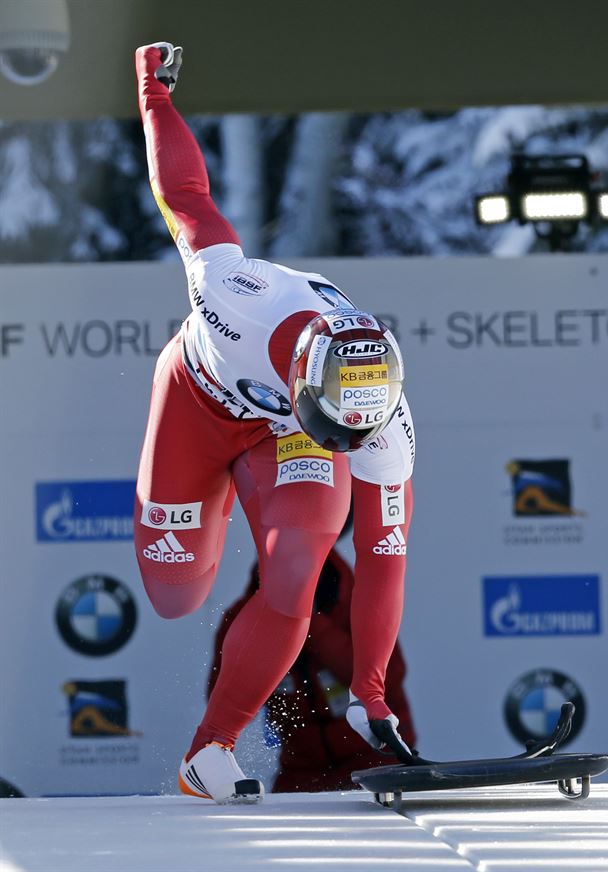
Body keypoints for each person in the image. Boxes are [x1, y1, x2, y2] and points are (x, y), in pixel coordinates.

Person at [133, 41, 416, 804]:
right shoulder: (235, 296)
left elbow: (386, 554)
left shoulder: (379, 409)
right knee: (174, 593)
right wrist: (154, 97)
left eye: (356, 439)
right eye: (338, 433)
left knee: (299, 568)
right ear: (299, 380)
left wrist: (370, 690)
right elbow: (187, 195)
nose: (352, 450)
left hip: (280, 433)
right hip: (196, 403)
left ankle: (208, 754)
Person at [207, 540, 418, 792]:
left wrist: (308, 625)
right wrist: (268, 636)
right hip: (300, 767)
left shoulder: (358, 600)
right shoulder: (245, 617)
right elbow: (221, 697)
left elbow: (389, 677)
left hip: (376, 759)